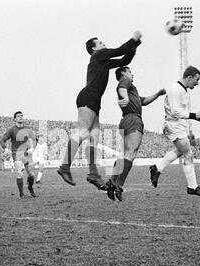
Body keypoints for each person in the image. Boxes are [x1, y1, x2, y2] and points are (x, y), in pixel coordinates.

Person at [57, 31, 142, 190]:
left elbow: (125, 59)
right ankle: (64, 167)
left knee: (94, 136)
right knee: (82, 132)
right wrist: (134, 39)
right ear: (95, 48)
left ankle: (93, 173)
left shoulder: (102, 61)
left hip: (94, 100)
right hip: (88, 97)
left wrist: (134, 47)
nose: (103, 43)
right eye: (100, 42)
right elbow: (121, 50)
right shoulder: (99, 55)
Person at [106, 66, 166, 201]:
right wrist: (125, 97)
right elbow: (121, 88)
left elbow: (143, 101)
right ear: (123, 74)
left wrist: (157, 94)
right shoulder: (126, 82)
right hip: (133, 119)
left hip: (126, 120)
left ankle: (112, 181)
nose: (132, 74)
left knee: (126, 154)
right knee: (131, 153)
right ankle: (118, 185)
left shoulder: (132, 90)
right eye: (130, 72)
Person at [150, 66, 200, 196]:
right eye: (196, 79)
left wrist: (196, 118)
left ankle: (157, 168)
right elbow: (175, 111)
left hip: (179, 125)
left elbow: (180, 111)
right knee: (188, 154)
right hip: (173, 125)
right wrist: (194, 115)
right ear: (189, 77)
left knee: (181, 151)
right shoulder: (175, 89)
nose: (197, 83)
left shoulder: (183, 90)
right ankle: (192, 187)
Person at [0, 111, 37, 198]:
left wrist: (32, 148)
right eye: (18, 116)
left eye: (21, 116)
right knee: (20, 173)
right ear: (15, 119)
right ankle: (21, 193)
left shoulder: (27, 129)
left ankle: (30, 188)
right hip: (17, 154)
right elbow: (2, 141)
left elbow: (35, 139)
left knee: (31, 174)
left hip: (26, 154)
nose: (20, 117)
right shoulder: (12, 130)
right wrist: (5, 149)